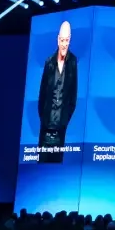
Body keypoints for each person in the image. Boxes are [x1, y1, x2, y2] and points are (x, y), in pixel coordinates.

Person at [36, 21, 78, 164]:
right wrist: (44, 119)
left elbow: (73, 97)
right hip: (46, 126)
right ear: (57, 39)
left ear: (70, 40)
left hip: (61, 128)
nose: (64, 44)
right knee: (41, 164)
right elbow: (41, 96)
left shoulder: (73, 62)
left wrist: (64, 121)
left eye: (67, 40)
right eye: (62, 40)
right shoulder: (49, 62)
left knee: (56, 164)